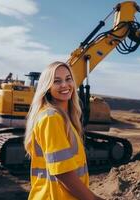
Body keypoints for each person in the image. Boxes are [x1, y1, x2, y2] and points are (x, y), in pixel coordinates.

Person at [24, 61, 104, 200]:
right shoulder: (51, 119)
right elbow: (63, 173)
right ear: (47, 87)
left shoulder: (64, 118)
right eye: (56, 81)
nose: (64, 85)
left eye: (68, 79)